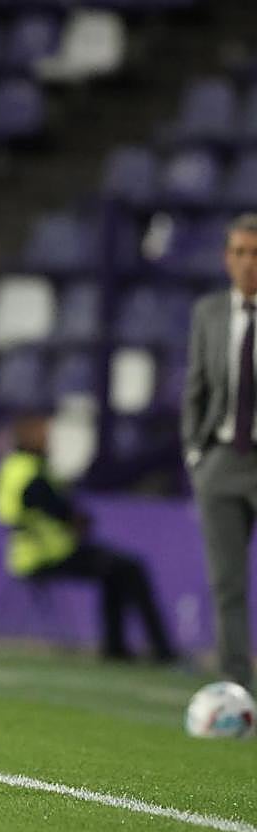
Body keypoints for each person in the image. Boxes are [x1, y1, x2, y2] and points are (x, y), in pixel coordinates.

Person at [0, 414, 175, 663]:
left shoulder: (11, 468)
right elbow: (61, 512)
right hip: (50, 555)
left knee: (115, 571)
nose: (49, 441)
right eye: (43, 435)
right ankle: (160, 651)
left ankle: (115, 648)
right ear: (29, 438)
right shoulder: (31, 474)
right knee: (130, 568)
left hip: (24, 557)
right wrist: (77, 520)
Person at [183, 212, 257, 691]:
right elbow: (197, 387)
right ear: (226, 258)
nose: (248, 263)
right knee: (227, 586)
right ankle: (238, 694)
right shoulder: (209, 313)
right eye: (240, 252)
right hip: (222, 461)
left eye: (256, 254)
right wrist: (196, 453)